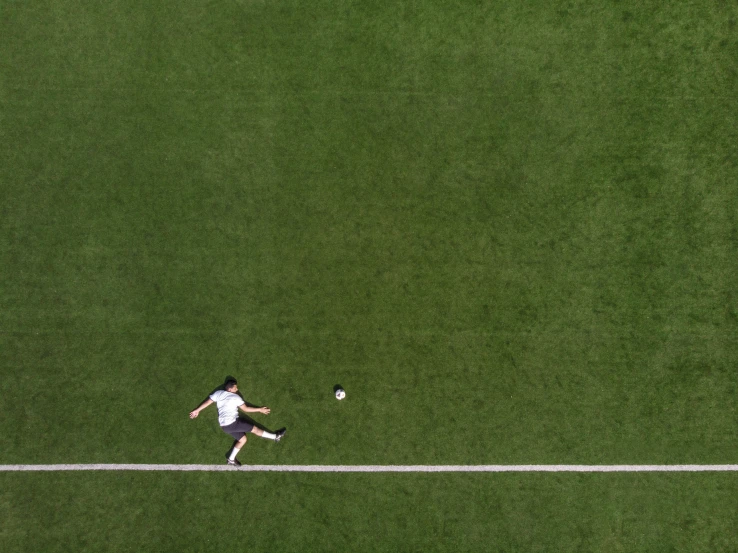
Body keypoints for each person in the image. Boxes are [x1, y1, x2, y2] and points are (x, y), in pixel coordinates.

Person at [189, 379, 286, 466]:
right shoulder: (235, 397)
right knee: (255, 429)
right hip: (233, 423)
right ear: (230, 389)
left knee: (243, 440)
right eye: (236, 388)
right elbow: (246, 409)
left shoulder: (218, 393)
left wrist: (197, 410)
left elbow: (208, 402)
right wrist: (260, 409)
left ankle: (231, 459)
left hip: (224, 426)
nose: (237, 390)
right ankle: (275, 437)